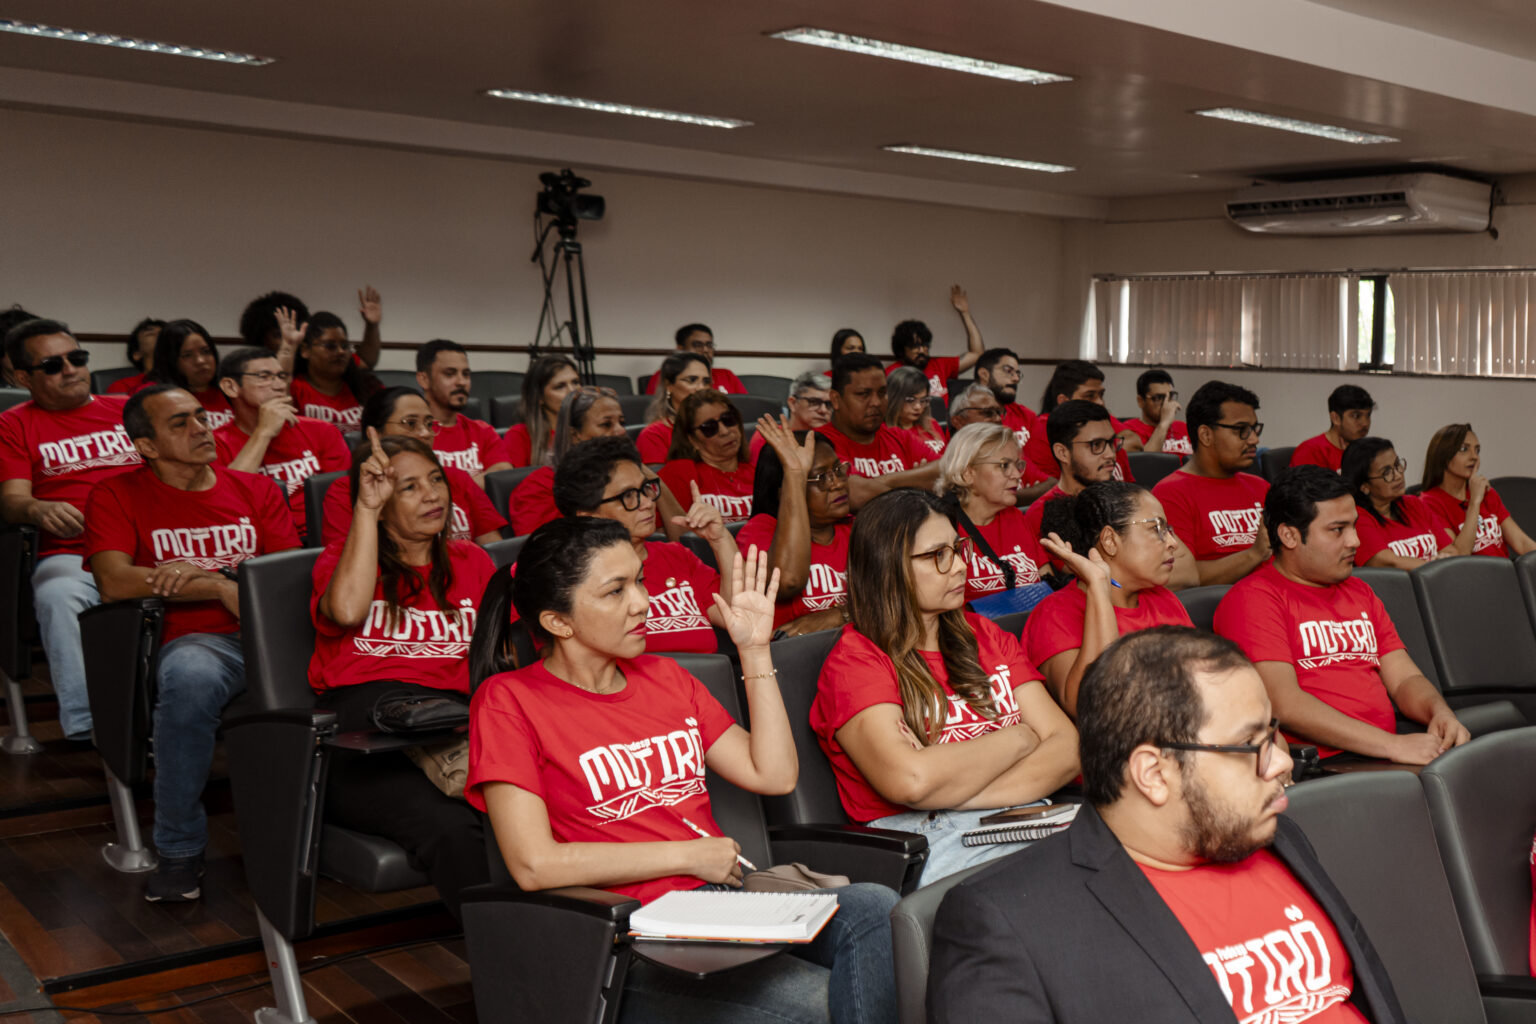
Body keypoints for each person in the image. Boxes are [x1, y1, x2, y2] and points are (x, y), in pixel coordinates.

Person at [466, 517, 898, 1024]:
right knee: (821, 1002)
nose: (642, 602)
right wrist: (687, 856)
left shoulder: (666, 676)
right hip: (628, 937)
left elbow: (773, 775)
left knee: (877, 906)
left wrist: (754, 650)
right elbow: (533, 864)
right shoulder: (508, 700)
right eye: (615, 591)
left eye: (640, 581)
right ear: (559, 623)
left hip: (720, 906)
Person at [929, 627, 1409, 1024]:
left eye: (1273, 735)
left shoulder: (1279, 839)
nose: (1281, 762)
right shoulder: (1010, 922)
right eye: (1250, 745)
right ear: (1154, 774)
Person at [84, 384, 299, 900]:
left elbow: (283, 578)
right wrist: (217, 587)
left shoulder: (256, 489)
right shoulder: (115, 494)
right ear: (146, 446)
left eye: (201, 417)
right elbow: (113, 580)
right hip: (197, 642)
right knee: (189, 677)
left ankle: (321, 840)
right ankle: (179, 849)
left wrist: (212, 578)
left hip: (270, 636)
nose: (202, 429)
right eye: (179, 423)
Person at [810, 489, 1079, 885]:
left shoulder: (986, 634)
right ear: (888, 566)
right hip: (928, 838)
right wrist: (1020, 738)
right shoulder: (856, 661)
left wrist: (955, 790)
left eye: (957, 549)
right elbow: (911, 782)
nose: (959, 566)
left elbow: (1068, 748)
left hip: (1021, 816)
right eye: (938, 555)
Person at [310, 429, 494, 920]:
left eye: (435, 479)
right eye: (409, 487)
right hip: (366, 742)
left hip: (453, 726)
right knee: (452, 830)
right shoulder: (343, 559)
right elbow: (347, 611)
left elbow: (507, 659)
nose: (432, 494)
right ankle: (510, 955)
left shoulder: (472, 561)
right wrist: (366, 511)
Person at [1214, 466, 1470, 764]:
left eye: (1354, 526)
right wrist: (1392, 745)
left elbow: (1404, 679)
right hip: (1324, 765)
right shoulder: (1253, 599)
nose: (1355, 541)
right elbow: (1285, 704)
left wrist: (1440, 712)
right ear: (1289, 536)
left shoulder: (1360, 591)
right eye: (1338, 530)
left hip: (1384, 753)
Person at [0, 318, 142, 740]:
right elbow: (11, 500)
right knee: (58, 595)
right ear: (22, 378)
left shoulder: (129, 410)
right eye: (52, 365)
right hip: (72, 553)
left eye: (76, 358)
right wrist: (36, 508)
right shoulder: (13, 424)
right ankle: (93, 723)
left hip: (152, 544)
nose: (70, 370)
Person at [1023, 482, 1194, 716]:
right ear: (1110, 541)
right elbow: (1090, 705)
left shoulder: (1163, 598)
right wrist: (1098, 585)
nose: (1173, 543)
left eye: (1168, 530)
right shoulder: (1055, 614)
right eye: (1156, 529)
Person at [554, 435, 737, 653]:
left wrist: (721, 540)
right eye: (628, 496)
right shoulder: (568, 577)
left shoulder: (677, 556)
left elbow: (738, 617)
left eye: (645, 489)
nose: (648, 502)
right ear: (588, 516)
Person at [1023, 401, 1196, 587]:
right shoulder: (1043, 513)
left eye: (1111, 443)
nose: (1110, 454)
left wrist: (1126, 578)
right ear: (1063, 452)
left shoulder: (1130, 496)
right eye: (1096, 445)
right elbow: (1091, 582)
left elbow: (1189, 573)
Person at [320, 387, 504, 547]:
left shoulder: (456, 477)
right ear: (374, 433)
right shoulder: (345, 491)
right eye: (410, 423)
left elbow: (493, 549)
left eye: (429, 424)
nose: (425, 433)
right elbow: (345, 562)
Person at [213, 347, 350, 538]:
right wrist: (263, 433)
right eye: (264, 377)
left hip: (323, 535)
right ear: (231, 387)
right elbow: (230, 502)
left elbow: (343, 497)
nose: (279, 386)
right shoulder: (215, 443)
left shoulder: (322, 431)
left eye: (281, 376)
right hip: (259, 541)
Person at [737, 418, 852, 636]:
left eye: (838, 470)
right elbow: (788, 581)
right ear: (784, 491)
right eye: (821, 477)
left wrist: (839, 615)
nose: (838, 483)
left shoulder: (856, 528)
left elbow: (892, 599)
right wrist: (794, 473)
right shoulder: (760, 530)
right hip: (796, 653)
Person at [1152, 380, 1271, 585]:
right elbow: (1182, 576)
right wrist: (1254, 555)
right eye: (1241, 430)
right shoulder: (1170, 494)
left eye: (1254, 429)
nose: (1254, 440)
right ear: (1206, 435)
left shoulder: (1261, 487)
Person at [935, 423, 1048, 602]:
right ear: (967, 474)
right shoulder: (941, 527)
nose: (1017, 475)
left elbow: (1047, 582)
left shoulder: (1015, 517)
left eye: (1018, 465)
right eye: (1004, 465)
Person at [818, 353, 939, 509]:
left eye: (882, 393)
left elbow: (946, 470)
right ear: (835, 399)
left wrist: (879, 483)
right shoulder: (821, 444)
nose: (876, 402)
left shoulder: (899, 436)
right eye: (863, 394)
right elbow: (854, 494)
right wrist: (915, 482)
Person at [508, 386, 633, 537]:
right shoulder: (537, 488)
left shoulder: (631, 477)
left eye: (622, 422)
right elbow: (544, 547)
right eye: (606, 424)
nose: (621, 431)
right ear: (574, 435)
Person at [1342, 437, 1467, 569]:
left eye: (1397, 465)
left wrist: (1440, 566)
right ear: (1364, 486)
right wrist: (1434, 568)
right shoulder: (1357, 518)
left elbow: (1451, 551)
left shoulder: (1414, 504)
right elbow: (1386, 562)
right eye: (1387, 472)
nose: (1398, 475)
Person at [1419, 423, 1536, 558]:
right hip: (1471, 571)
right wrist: (1474, 502)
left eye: (1477, 450)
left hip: (1504, 570)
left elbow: (1522, 543)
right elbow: (1459, 557)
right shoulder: (1428, 503)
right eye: (1464, 449)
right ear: (1443, 456)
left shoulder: (1487, 493)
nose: (1474, 456)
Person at [414, 338, 509, 485]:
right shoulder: (414, 434)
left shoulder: (483, 431)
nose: (461, 382)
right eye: (450, 374)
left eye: (466, 374)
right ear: (424, 380)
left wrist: (453, 488)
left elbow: (502, 473)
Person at [1022, 360, 1133, 482]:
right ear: (1064, 401)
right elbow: (1050, 488)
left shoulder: (1102, 421)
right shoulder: (1044, 432)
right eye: (1089, 396)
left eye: (1101, 395)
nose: (1100, 402)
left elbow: (1130, 484)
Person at [659, 390, 757, 524]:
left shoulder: (758, 472)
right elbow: (675, 531)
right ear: (692, 439)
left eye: (728, 419)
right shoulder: (679, 473)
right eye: (709, 427)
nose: (724, 431)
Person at [239, 288, 382, 370]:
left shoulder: (315, 360)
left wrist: (372, 325)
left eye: (295, 331)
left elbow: (365, 361)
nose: (290, 337)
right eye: (279, 335)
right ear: (261, 340)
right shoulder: (252, 370)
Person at [885, 285, 985, 398]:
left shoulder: (939, 365)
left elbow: (977, 353)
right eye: (915, 346)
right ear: (901, 349)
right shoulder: (891, 374)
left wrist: (965, 313)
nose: (922, 350)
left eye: (925, 345)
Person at [289, 312, 380, 428]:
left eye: (345, 346)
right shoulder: (294, 389)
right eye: (330, 346)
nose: (341, 352)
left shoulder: (367, 386)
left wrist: (372, 325)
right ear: (305, 350)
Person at [146, 319, 232, 428]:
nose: (200, 361)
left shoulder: (232, 391)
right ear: (170, 361)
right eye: (187, 355)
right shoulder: (156, 398)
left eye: (206, 351)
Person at [501, 354, 579, 467]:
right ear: (539, 397)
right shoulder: (520, 435)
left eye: (575, 382)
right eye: (560, 386)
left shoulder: (590, 428)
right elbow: (513, 478)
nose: (572, 391)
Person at [637, 352, 711, 463]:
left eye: (706, 382)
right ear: (668, 385)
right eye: (692, 380)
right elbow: (657, 474)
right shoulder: (653, 435)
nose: (701, 388)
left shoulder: (718, 428)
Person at [642, 323, 747, 395]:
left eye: (709, 345)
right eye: (697, 345)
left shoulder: (726, 375)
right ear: (680, 349)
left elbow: (746, 407)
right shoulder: (663, 375)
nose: (705, 350)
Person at [973, 347, 1042, 455]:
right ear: (984, 374)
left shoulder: (1027, 416)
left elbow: (1040, 459)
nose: (1016, 379)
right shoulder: (968, 416)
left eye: (1017, 373)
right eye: (1008, 371)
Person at [749, 371, 832, 460]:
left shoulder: (833, 436)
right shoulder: (768, 436)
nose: (823, 410)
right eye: (814, 402)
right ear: (792, 403)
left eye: (829, 404)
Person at [1291, 384, 1374, 471]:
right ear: (1335, 418)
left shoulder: (1367, 452)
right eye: (1356, 416)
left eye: (1368, 415)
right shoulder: (1311, 451)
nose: (1365, 423)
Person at [1120, 369, 1191, 456]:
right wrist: (1164, 424)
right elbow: (1146, 461)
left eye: (1170, 396)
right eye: (1158, 398)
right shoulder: (1128, 431)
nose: (1166, 403)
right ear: (1140, 401)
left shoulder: (1184, 428)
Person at [885, 365, 948, 457]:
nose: (918, 407)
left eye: (923, 400)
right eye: (910, 400)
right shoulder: (885, 433)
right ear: (894, 399)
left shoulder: (932, 424)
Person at [106, 318, 166, 395]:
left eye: (163, 333)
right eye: (151, 334)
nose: (161, 336)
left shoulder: (180, 380)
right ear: (137, 354)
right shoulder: (123, 386)